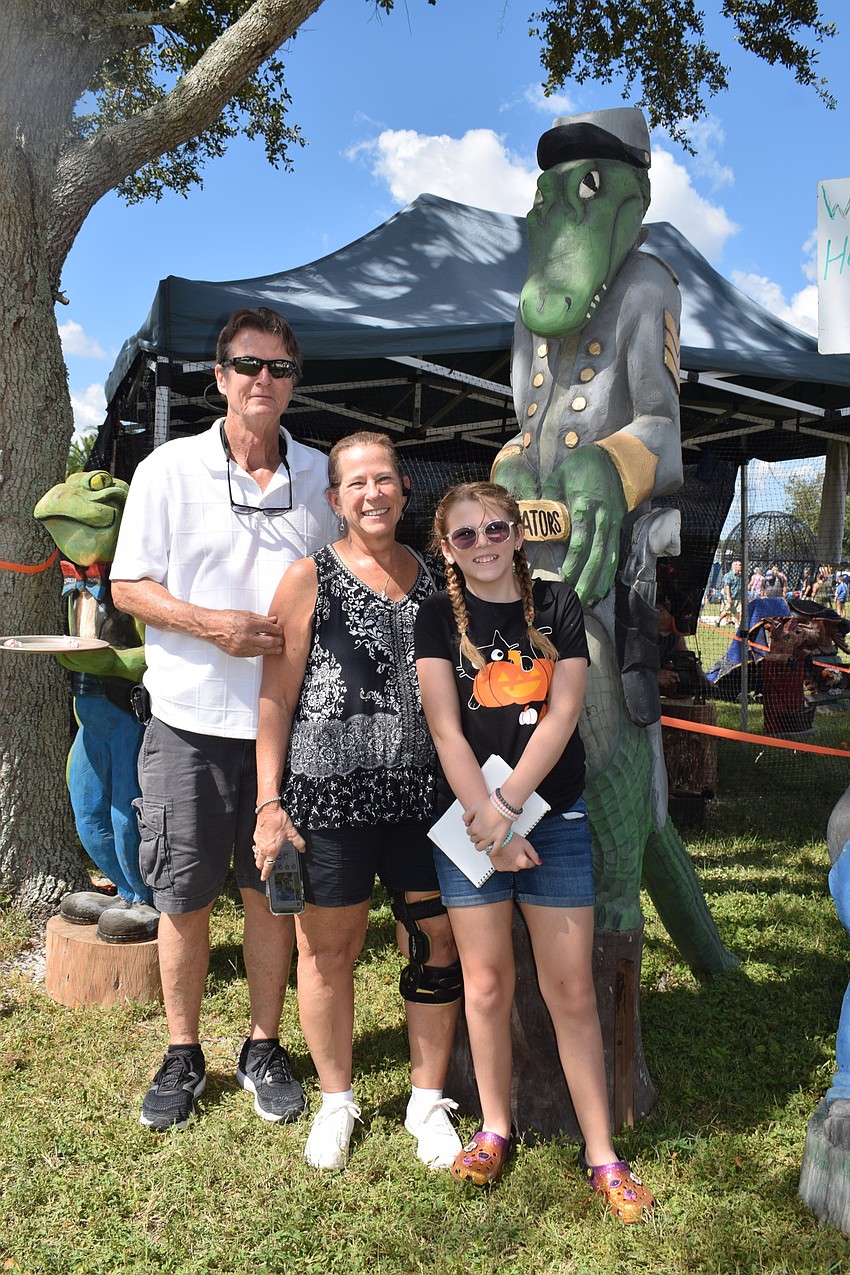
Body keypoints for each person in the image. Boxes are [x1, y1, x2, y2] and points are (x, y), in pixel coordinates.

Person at [110, 307, 337, 1131]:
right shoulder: (167, 470)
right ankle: (181, 1049)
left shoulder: (322, 476)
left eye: (278, 368)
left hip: (293, 733)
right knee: (183, 892)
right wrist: (216, 625)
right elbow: (127, 588)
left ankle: (262, 1043)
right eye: (247, 366)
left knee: (272, 892)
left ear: (292, 382)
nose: (262, 381)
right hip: (189, 722)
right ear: (219, 377)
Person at [414, 481, 654, 1223]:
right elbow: (446, 729)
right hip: (468, 817)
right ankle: (494, 1126)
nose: (482, 543)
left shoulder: (556, 606)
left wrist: (511, 809)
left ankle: (602, 1153)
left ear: (518, 534)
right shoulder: (432, 617)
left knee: (571, 988)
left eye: (494, 529)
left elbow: (565, 712)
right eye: (464, 535)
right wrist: (487, 820)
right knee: (486, 984)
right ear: (446, 549)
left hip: (551, 812)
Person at [252, 431, 463, 1172]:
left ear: (406, 490)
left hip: (423, 800)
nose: (372, 493)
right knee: (328, 949)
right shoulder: (307, 578)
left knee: (436, 940)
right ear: (335, 499)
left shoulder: (440, 579)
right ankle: (337, 1099)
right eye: (356, 483)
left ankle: (426, 1098)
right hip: (328, 798)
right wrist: (268, 802)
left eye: (385, 479)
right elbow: (276, 696)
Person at [718, 559, 742, 626]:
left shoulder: (740, 576)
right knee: (727, 611)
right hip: (730, 597)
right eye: (739, 565)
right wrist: (728, 597)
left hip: (737, 597)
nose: (741, 566)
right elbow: (727, 586)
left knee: (738, 611)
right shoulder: (728, 575)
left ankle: (737, 625)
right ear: (734, 566)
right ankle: (718, 620)